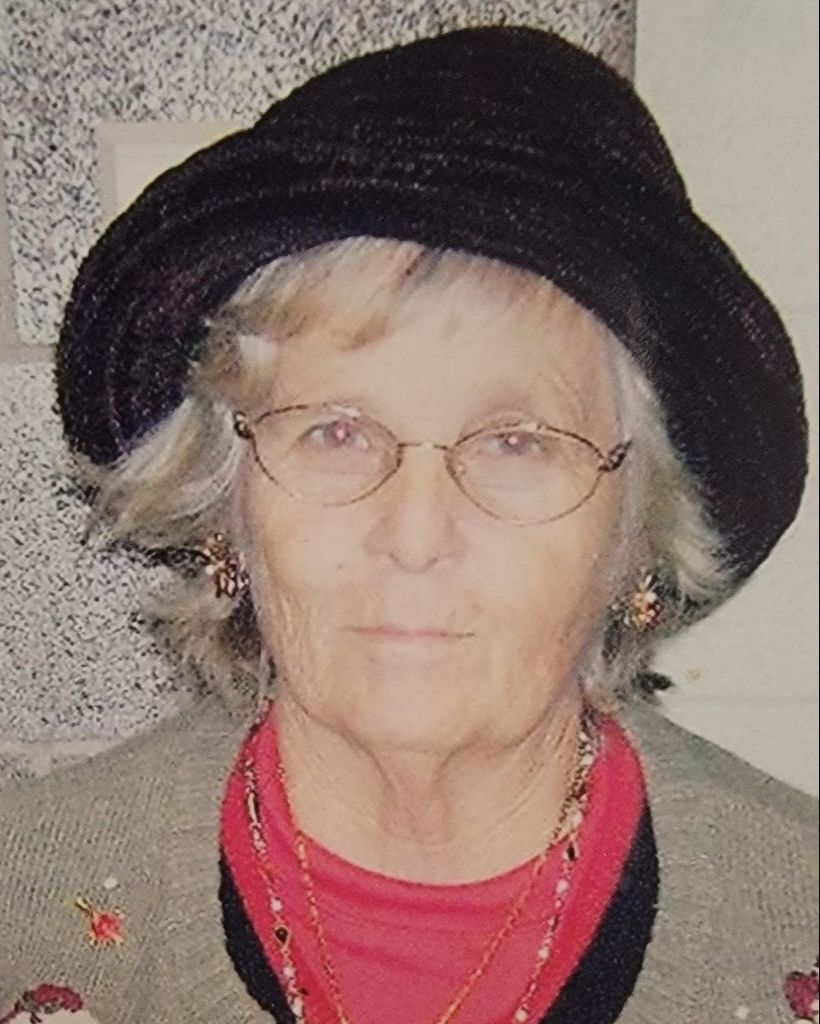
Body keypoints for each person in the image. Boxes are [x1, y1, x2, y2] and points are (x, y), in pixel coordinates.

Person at [1, 25, 816, 1024]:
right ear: (224, 503)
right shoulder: (22, 909)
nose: (417, 533)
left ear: (634, 538)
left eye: (517, 442)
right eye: (336, 431)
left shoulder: (796, 918)